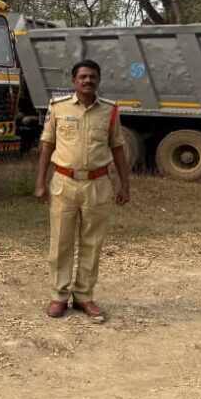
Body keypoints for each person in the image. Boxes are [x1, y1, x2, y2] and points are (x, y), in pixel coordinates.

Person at [34, 59, 130, 319]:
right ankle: (59, 296)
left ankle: (84, 297)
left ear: (99, 80)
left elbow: (117, 147)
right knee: (60, 243)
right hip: (64, 183)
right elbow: (47, 145)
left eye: (93, 77)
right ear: (73, 81)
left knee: (93, 243)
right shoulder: (58, 108)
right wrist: (40, 182)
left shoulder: (109, 111)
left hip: (98, 185)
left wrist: (125, 184)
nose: (88, 81)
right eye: (83, 77)